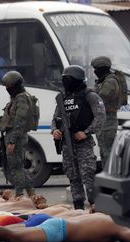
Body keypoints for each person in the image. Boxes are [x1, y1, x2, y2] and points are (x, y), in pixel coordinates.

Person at [51, 65, 106, 211]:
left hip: (83, 143)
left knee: (88, 175)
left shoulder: (90, 96)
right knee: (73, 176)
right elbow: (55, 118)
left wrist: (86, 132)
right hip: (67, 144)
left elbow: (101, 116)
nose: (65, 82)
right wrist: (55, 131)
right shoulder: (62, 97)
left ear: (76, 80)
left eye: (67, 79)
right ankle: (78, 209)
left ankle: (96, 208)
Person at [0, 212, 130, 242]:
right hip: (60, 231)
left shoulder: (108, 217)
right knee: (12, 237)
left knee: (12, 234)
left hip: (58, 224)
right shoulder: (122, 227)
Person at [0, 71, 36, 198]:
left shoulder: (21, 98)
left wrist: (12, 141)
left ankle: (19, 195)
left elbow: (20, 121)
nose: (7, 89)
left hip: (16, 137)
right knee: (19, 167)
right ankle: (31, 194)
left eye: (9, 86)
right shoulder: (18, 97)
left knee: (16, 168)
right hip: (14, 135)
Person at [91, 56, 119, 169]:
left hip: (108, 122)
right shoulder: (103, 81)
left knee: (108, 154)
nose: (95, 72)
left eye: (96, 69)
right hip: (103, 122)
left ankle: (110, 180)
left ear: (101, 69)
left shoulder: (111, 82)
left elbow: (100, 98)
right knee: (104, 152)